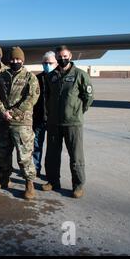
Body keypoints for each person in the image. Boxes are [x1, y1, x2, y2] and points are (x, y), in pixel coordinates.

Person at [43, 46, 94, 198]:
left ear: (70, 56)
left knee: (76, 156)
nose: (62, 59)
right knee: (52, 154)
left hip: (72, 123)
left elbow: (88, 97)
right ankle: (53, 181)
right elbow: (48, 97)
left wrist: (77, 111)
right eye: (59, 56)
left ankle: (78, 185)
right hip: (54, 122)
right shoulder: (51, 76)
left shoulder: (80, 75)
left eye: (65, 56)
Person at [0, 46, 39, 200]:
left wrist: (14, 112)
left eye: (18, 59)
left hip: (21, 123)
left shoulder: (30, 77)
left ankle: (29, 183)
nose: (15, 62)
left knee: (24, 156)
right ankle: (4, 178)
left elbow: (31, 98)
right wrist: (2, 111)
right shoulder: (2, 76)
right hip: (4, 121)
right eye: (12, 59)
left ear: (22, 60)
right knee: (2, 153)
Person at [33, 51, 58, 176]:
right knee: (36, 146)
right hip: (39, 118)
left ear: (56, 63)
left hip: (54, 119)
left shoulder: (59, 78)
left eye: (50, 63)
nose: (47, 65)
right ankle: (35, 169)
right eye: (45, 63)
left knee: (52, 149)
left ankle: (51, 173)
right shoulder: (37, 79)